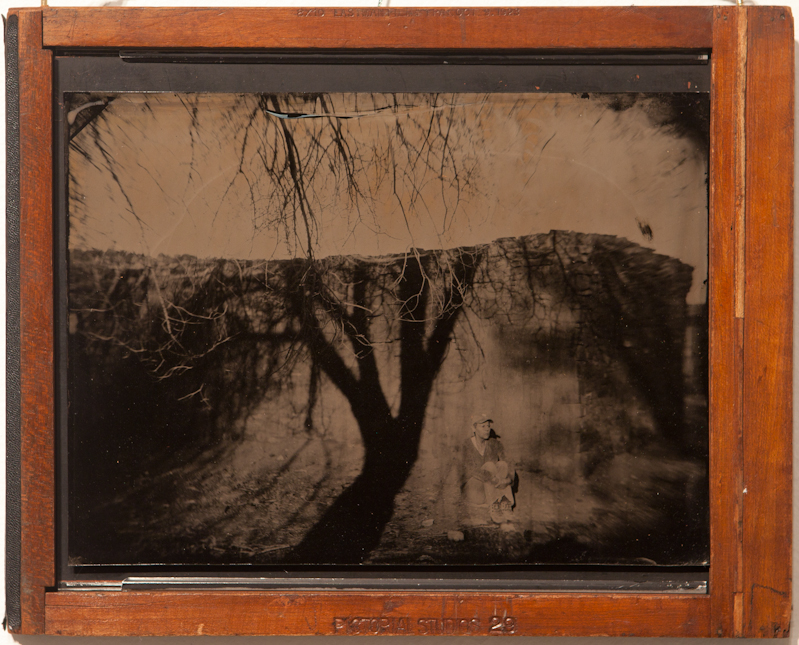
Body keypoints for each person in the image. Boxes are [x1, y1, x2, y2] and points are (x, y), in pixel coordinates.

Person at [460, 412, 517, 526]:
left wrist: (509, 479)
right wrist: (494, 479)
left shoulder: (494, 443)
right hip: (474, 491)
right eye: (483, 426)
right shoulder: (466, 445)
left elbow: (509, 462)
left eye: (488, 426)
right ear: (474, 428)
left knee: (502, 465)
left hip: (491, 487)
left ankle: (505, 505)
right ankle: (494, 507)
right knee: (490, 465)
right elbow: (472, 470)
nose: (487, 429)